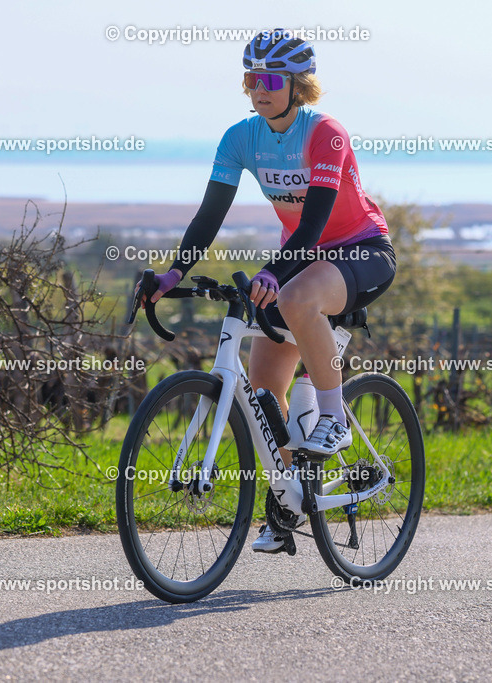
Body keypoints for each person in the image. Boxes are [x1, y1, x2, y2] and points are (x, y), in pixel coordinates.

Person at [143, 28, 396, 552]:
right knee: (262, 391)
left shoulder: (324, 133)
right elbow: (209, 215)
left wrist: (275, 274)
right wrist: (172, 274)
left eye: (271, 79)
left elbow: (314, 225)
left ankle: (333, 420)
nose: (260, 88)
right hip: (298, 260)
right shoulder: (240, 137)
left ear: (297, 85)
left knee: (294, 299)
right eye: (252, 78)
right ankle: (287, 501)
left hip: (358, 251)